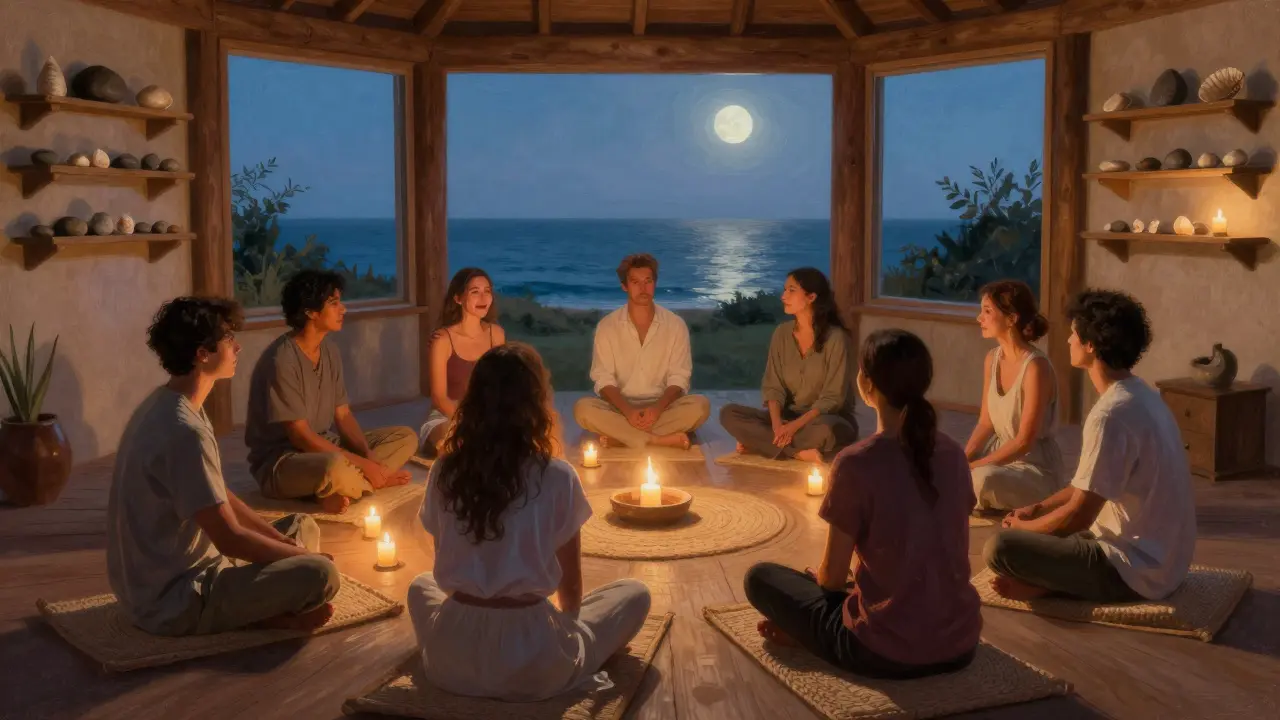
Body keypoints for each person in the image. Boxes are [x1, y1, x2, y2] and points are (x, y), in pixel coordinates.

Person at [408, 342, 652, 701]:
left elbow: (444, 560)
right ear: (536, 402)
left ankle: (466, 654)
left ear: (474, 401)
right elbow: (570, 590)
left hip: (451, 663)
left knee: (420, 586)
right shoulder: (557, 475)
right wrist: (566, 634)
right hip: (533, 666)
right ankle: (556, 656)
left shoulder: (444, 470)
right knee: (635, 594)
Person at [743, 329, 981, 678]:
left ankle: (808, 636)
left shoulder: (856, 462)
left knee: (760, 577)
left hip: (882, 651)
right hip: (960, 645)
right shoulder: (954, 454)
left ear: (866, 383)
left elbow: (831, 579)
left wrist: (832, 582)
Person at [107, 297, 339, 636]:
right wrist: (299, 559)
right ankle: (263, 615)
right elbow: (230, 539)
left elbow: (218, 495)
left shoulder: (169, 403)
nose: (237, 347)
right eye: (229, 338)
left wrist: (284, 545)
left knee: (301, 525)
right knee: (321, 574)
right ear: (203, 353)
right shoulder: (184, 431)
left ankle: (266, 603)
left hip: (161, 581)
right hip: (175, 599)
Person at [984, 289, 1196, 603]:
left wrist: (1022, 529)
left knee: (1000, 547)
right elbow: (1087, 485)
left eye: (1073, 334)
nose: (1069, 340)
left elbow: (1078, 516)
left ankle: (1057, 584)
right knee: (1052, 534)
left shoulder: (1110, 415)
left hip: (1134, 570)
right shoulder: (1143, 395)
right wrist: (1039, 508)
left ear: (1090, 345)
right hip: (1169, 562)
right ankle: (1052, 581)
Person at [245, 269, 418, 515]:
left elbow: (343, 415)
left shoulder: (329, 351)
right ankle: (355, 484)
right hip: (284, 461)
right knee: (335, 466)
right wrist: (364, 465)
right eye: (334, 303)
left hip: (325, 443)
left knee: (405, 437)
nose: (343, 309)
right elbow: (301, 437)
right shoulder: (281, 360)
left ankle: (341, 487)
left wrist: (367, 455)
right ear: (310, 312)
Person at [573, 253, 710, 450]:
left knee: (700, 406)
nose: (643, 288)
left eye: (648, 281)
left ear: (655, 283)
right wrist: (628, 411)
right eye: (635, 282)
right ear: (624, 286)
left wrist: (656, 409)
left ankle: (621, 437)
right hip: (619, 407)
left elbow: (679, 377)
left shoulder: (675, 325)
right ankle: (657, 440)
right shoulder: (607, 326)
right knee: (583, 409)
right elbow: (603, 379)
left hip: (663, 407)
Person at [721, 268, 858, 464]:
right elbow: (773, 386)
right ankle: (796, 452)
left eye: (791, 290)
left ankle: (762, 444)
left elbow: (832, 398)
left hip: (826, 419)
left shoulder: (836, 339)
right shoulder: (782, 334)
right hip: (788, 417)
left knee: (825, 432)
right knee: (728, 414)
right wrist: (778, 426)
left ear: (811, 297)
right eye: (784, 290)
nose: (783, 296)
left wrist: (793, 428)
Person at [965, 280, 1065, 512]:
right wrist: (962, 461)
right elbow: (985, 422)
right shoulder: (992, 359)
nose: (979, 318)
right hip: (997, 458)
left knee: (982, 479)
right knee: (949, 469)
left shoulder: (1036, 367)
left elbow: (1023, 441)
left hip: (1033, 467)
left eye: (987, 311)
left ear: (1012, 318)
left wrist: (974, 467)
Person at [419, 267, 507, 456]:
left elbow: (501, 386)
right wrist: (470, 420)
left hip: (486, 414)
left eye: (487, 291)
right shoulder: (442, 340)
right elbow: (439, 397)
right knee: (455, 442)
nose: (483, 298)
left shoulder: (497, 334)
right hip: (448, 416)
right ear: (458, 298)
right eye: (475, 292)